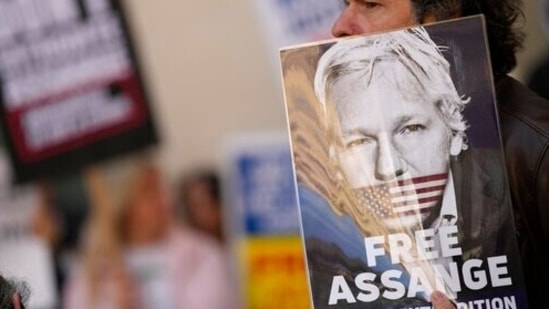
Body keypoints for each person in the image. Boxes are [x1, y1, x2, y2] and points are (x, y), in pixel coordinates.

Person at [329, 0, 549, 307]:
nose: (339, 25)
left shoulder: (537, 151)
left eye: (371, 4)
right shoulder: (333, 223)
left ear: (442, 16)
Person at [292, 25, 522, 307]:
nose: (388, 167)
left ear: (453, 130)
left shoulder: (515, 191)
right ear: (333, 158)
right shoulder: (326, 248)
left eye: (410, 129)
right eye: (359, 142)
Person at [63, 162, 236, 309]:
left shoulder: (204, 255)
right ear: (121, 201)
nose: (166, 200)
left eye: (163, 187)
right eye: (150, 191)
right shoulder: (89, 271)